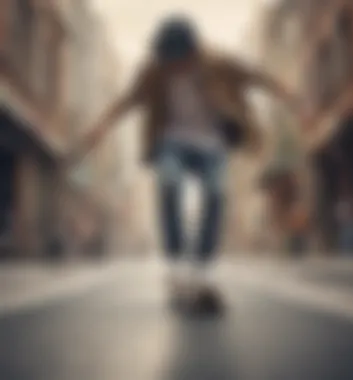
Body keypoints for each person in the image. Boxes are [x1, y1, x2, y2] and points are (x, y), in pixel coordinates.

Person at [66, 16, 305, 309]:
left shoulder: (218, 63)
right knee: (169, 182)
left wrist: (287, 94)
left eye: (180, 62)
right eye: (169, 62)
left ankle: (202, 270)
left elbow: (255, 76)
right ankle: (177, 263)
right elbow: (125, 102)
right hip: (172, 142)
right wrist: (99, 128)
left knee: (216, 193)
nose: (174, 69)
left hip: (212, 144)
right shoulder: (153, 72)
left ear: (193, 52)